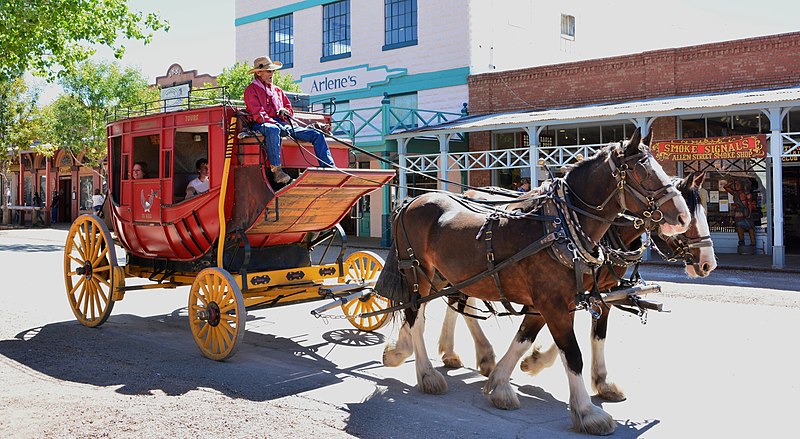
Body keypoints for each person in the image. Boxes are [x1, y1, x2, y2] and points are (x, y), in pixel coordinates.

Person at [243, 56, 334, 184]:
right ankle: (277, 171)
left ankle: (329, 168)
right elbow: (258, 114)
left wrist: (285, 112)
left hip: (282, 123)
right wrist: (277, 124)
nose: (272, 74)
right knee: (273, 129)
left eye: (273, 71)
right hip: (261, 124)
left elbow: (289, 108)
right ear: (258, 73)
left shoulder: (277, 90)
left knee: (317, 135)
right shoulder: (251, 90)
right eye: (269, 71)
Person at [724, 178, 756, 249]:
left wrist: (749, 214)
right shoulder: (735, 193)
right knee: (739, 227)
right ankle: (741, 242)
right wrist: (732, 182)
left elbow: (749, 205)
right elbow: (725, 187)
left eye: (738, 184)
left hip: (746, 212)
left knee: (751, 228)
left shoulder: (747, 194)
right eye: (736, 184)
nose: (736, 186)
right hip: (738, 212)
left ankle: (753, 243)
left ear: (743, 185)